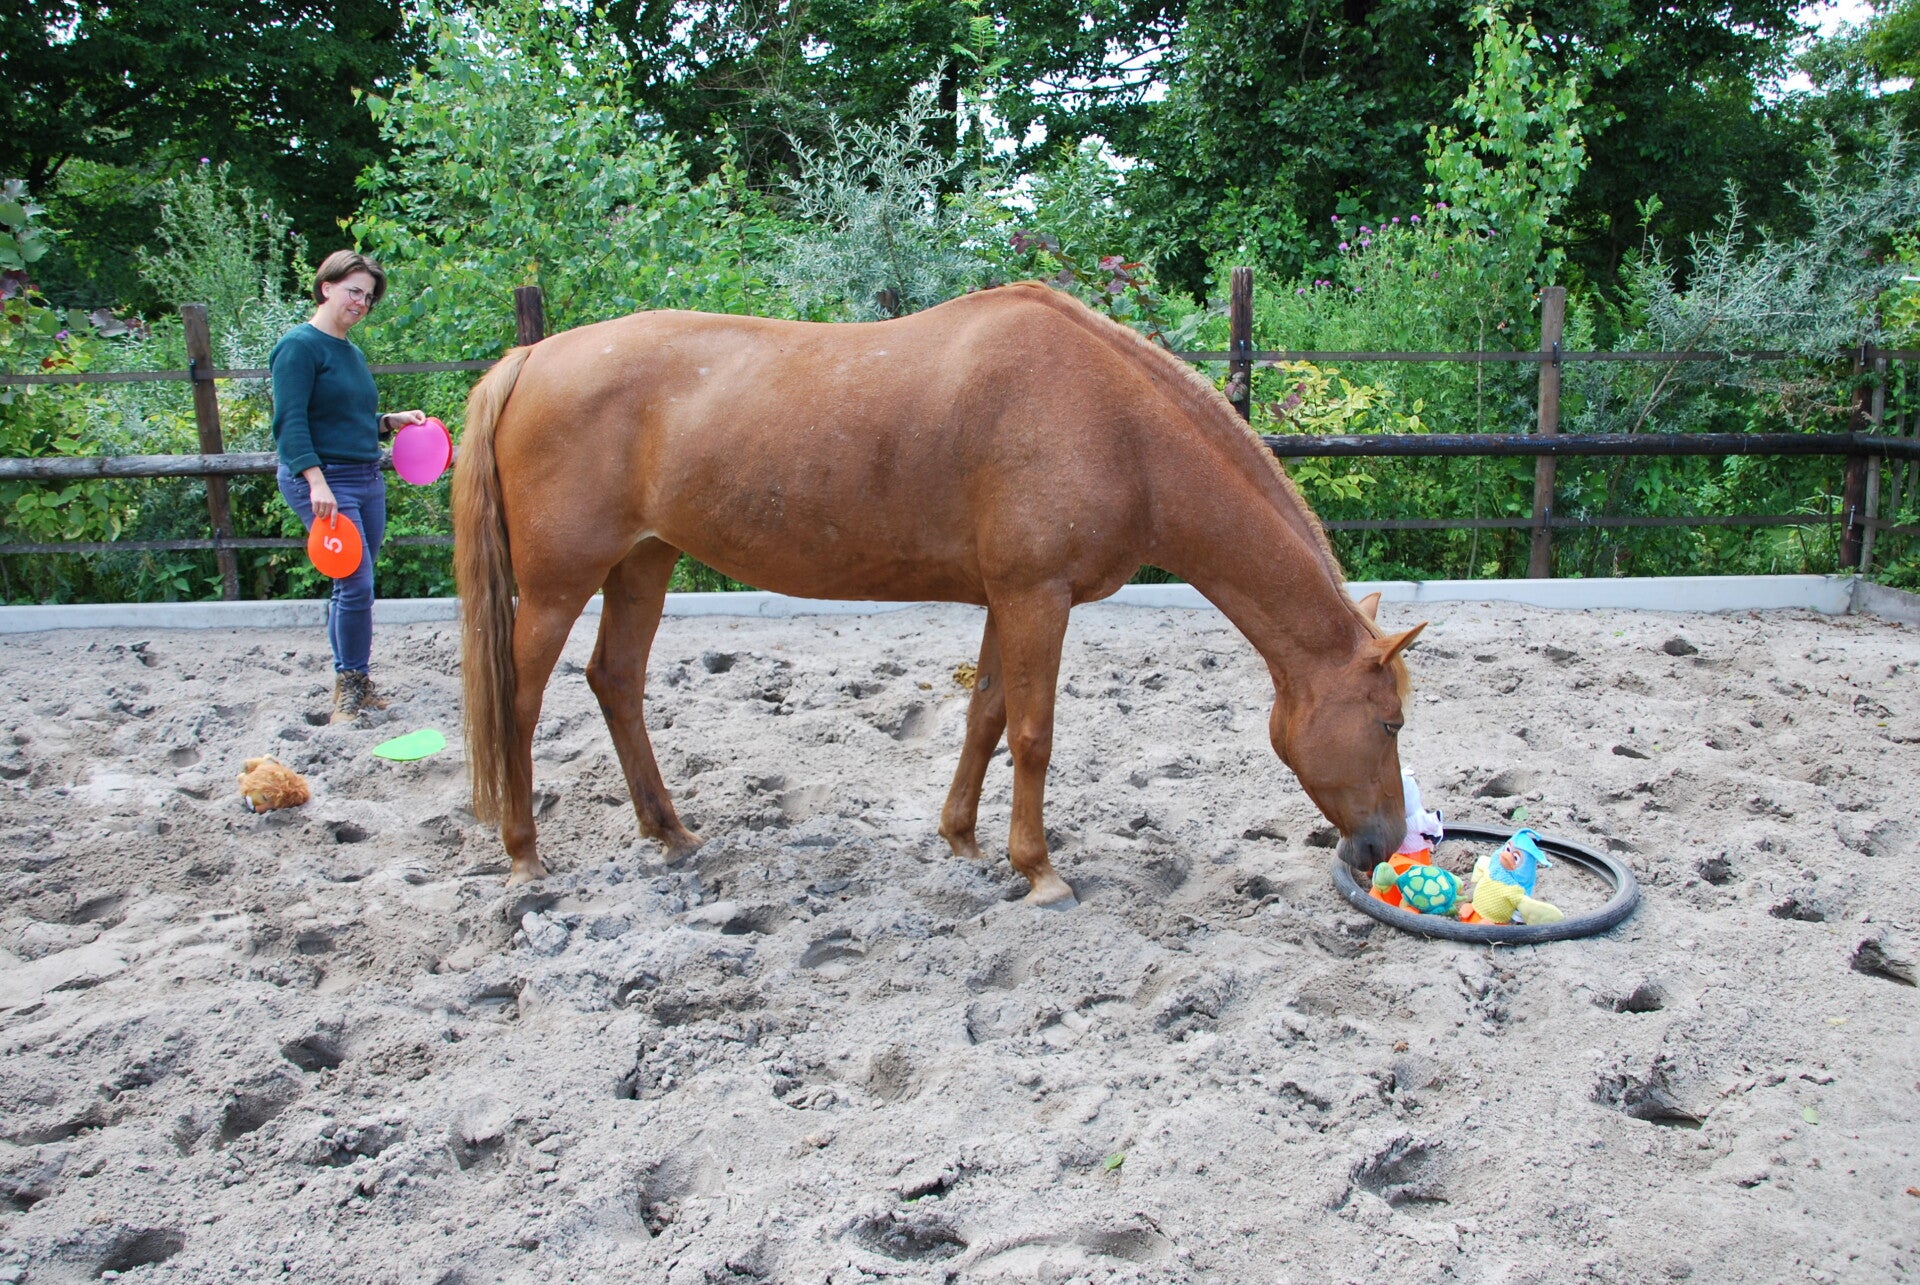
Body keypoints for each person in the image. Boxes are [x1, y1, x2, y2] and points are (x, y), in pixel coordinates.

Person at [271, 250, 427, 722]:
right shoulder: (299, 347)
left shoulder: (350, 352)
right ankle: (349, 688)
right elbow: (290, 423)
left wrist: (388, 421)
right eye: (353, 291)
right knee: (356, 584)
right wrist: (316, 482)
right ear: (327, 287)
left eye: (368, 296)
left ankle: (354, 677)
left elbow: (346, 419)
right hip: (324, 481)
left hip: (364, 476)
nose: (361, 302)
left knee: (355, 585)